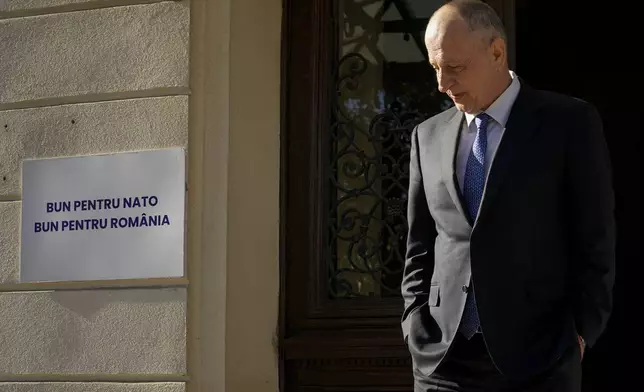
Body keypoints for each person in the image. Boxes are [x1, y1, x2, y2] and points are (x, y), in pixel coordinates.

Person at [400, 1, 616, 391]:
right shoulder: (425, 136)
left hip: (538, 359)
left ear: (497, 52)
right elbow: (419, 245)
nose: (441, 83)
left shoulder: (567, 123)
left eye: (455, 67)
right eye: (435, 67)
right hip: (442, 361)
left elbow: (594, 238)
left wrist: (582, 333)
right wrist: (414, 319)